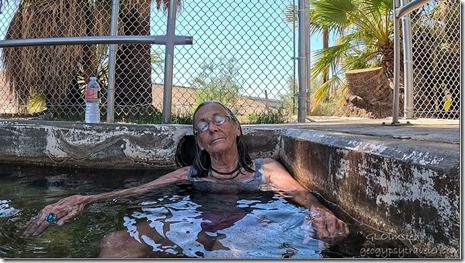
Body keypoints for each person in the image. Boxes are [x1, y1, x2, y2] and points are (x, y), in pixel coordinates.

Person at [23, 100, 349, 257]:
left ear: (237, 128)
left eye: (219, 118)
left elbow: (302, 196)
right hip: (192, 224)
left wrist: (320, 211)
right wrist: (81, 199)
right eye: (202, 126)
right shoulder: (190, 174)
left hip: (248, 227)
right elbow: (134, 191)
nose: (212, 127)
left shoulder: (265, 170)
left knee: (231, 249)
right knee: (115, 241)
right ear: (200, 141)